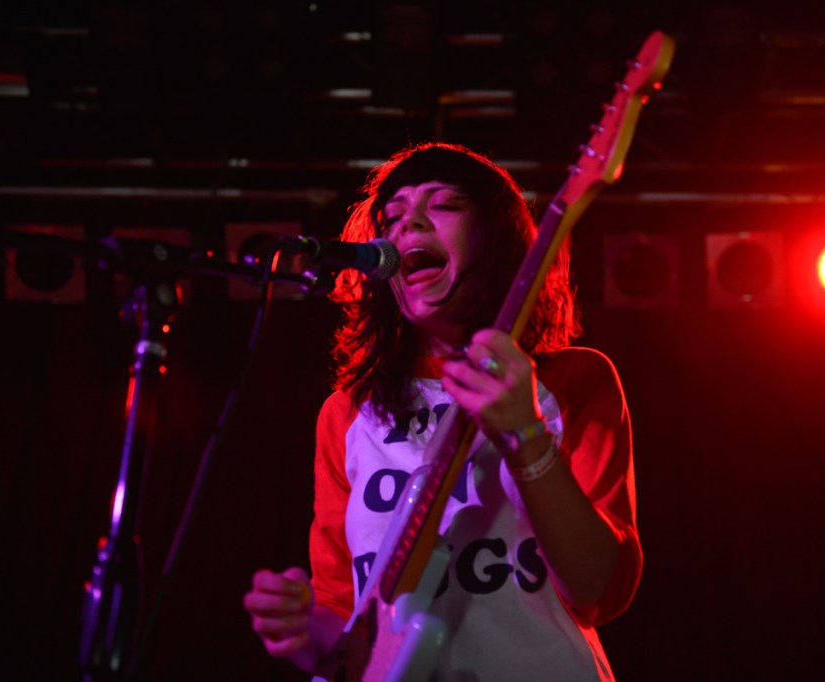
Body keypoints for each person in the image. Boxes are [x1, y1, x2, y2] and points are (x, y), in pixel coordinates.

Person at [243, 142, 641, 681]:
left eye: (445, 204)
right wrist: (303, 626)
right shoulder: (347, 413)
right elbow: (345, 616)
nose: (408, 224)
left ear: (494, 235)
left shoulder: (573, 380)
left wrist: (526, 436)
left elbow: (601, 590)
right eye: (393, 216)